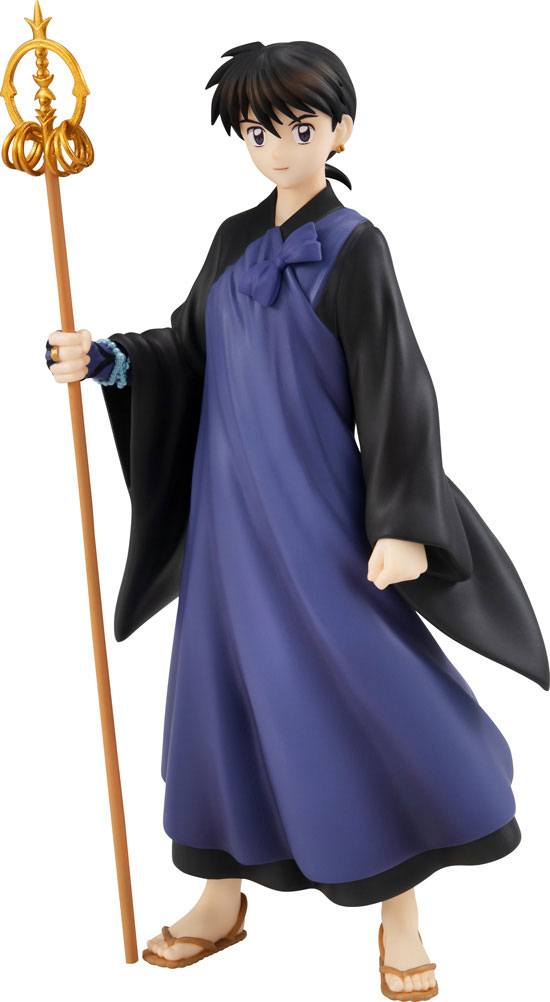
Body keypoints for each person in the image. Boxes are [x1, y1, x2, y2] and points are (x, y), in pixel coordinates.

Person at [45, 40, 548, 1000]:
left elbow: (397, 385)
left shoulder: (355, 245)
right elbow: (187, 349)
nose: (277, 149)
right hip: (227, 518)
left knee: (366, 687)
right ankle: (219, 895)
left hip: (317, 512)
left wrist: (401, 520)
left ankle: (400, 911)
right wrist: (107, 359)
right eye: (257, 132)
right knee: (221, 697)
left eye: (300, 129)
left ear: (340, 131)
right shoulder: (232, 239)